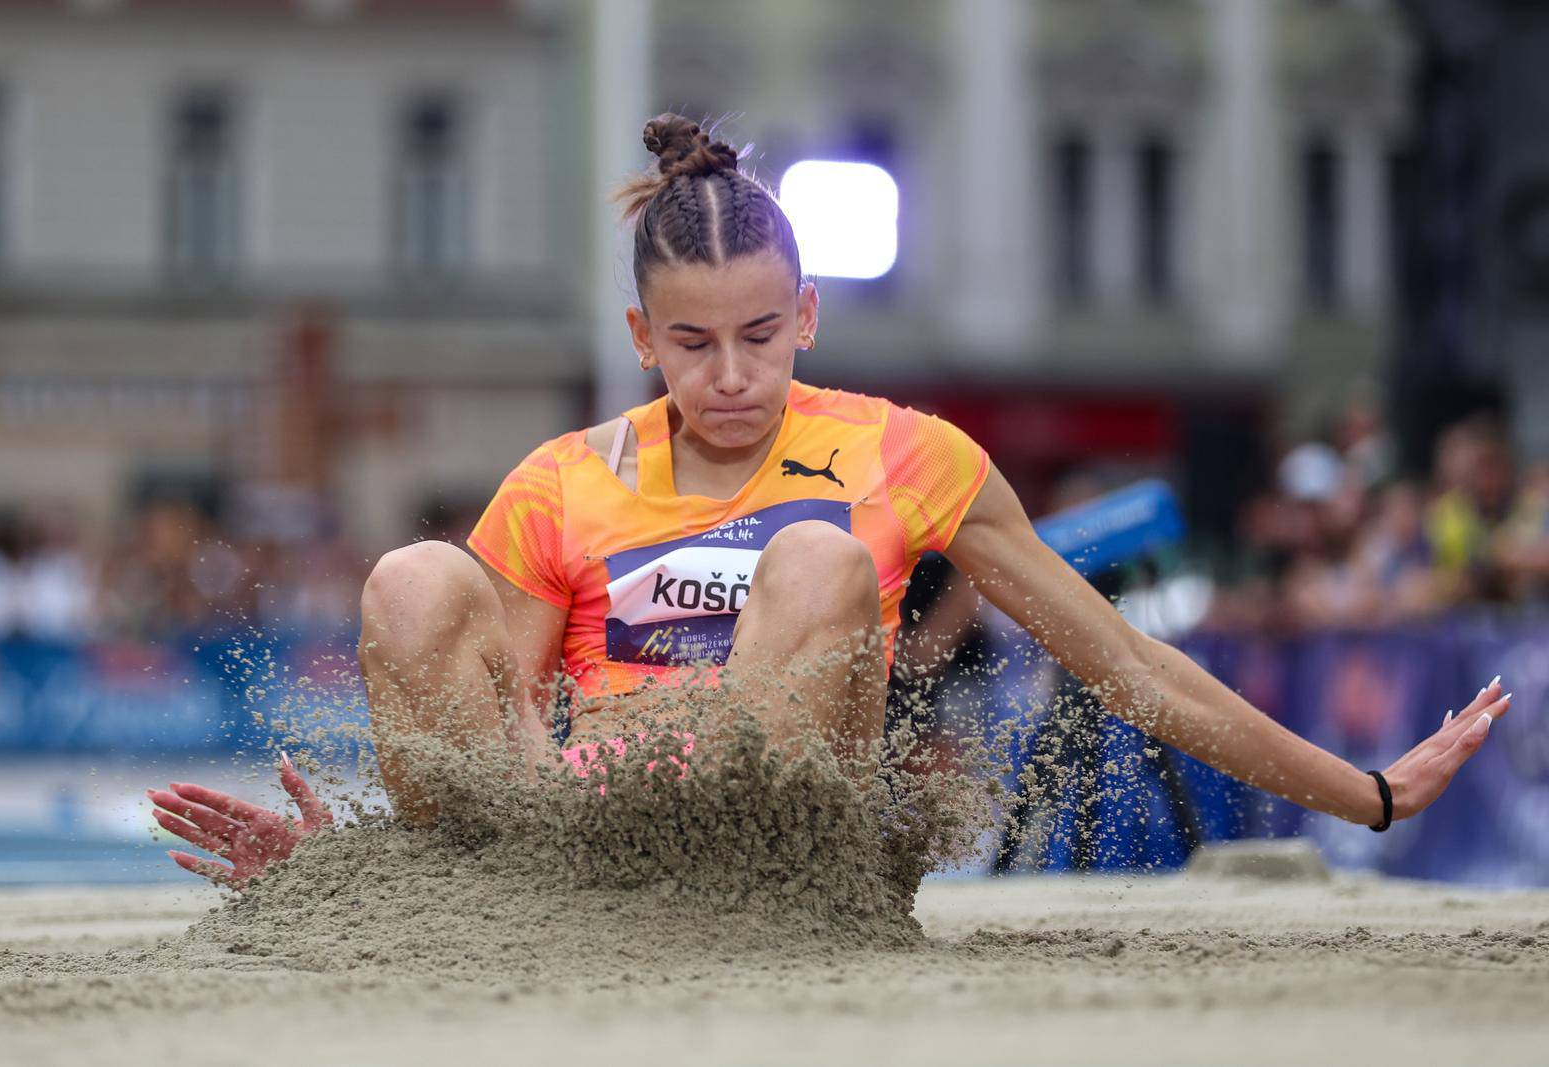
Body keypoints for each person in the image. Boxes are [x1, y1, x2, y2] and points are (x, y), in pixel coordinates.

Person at [148, 114, 1510, 886]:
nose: (729, 376)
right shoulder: (563, 481)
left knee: (812, 560)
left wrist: (1372, 792)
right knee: (408, 578)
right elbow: (492, 743)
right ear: (641, 338)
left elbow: (1126, 662)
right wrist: (356, 879)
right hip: (589, 861)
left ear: (805, 316)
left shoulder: (907, 454)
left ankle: (673, 854)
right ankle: (428, 910)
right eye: (692, 345)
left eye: (759, 335)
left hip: (784, 865)